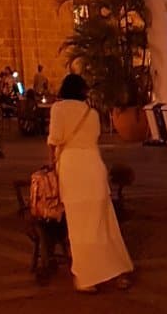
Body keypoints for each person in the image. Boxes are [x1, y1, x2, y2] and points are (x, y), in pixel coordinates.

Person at [48, 73, 133, 293]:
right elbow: (94, 137)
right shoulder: (92, 113)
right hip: (93, 165)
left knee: (78, 224)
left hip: (71, 167)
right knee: (102, 221)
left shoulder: (58, 109)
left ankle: (87, 277)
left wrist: (51, 166)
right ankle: (115, 269)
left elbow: (55, 139)